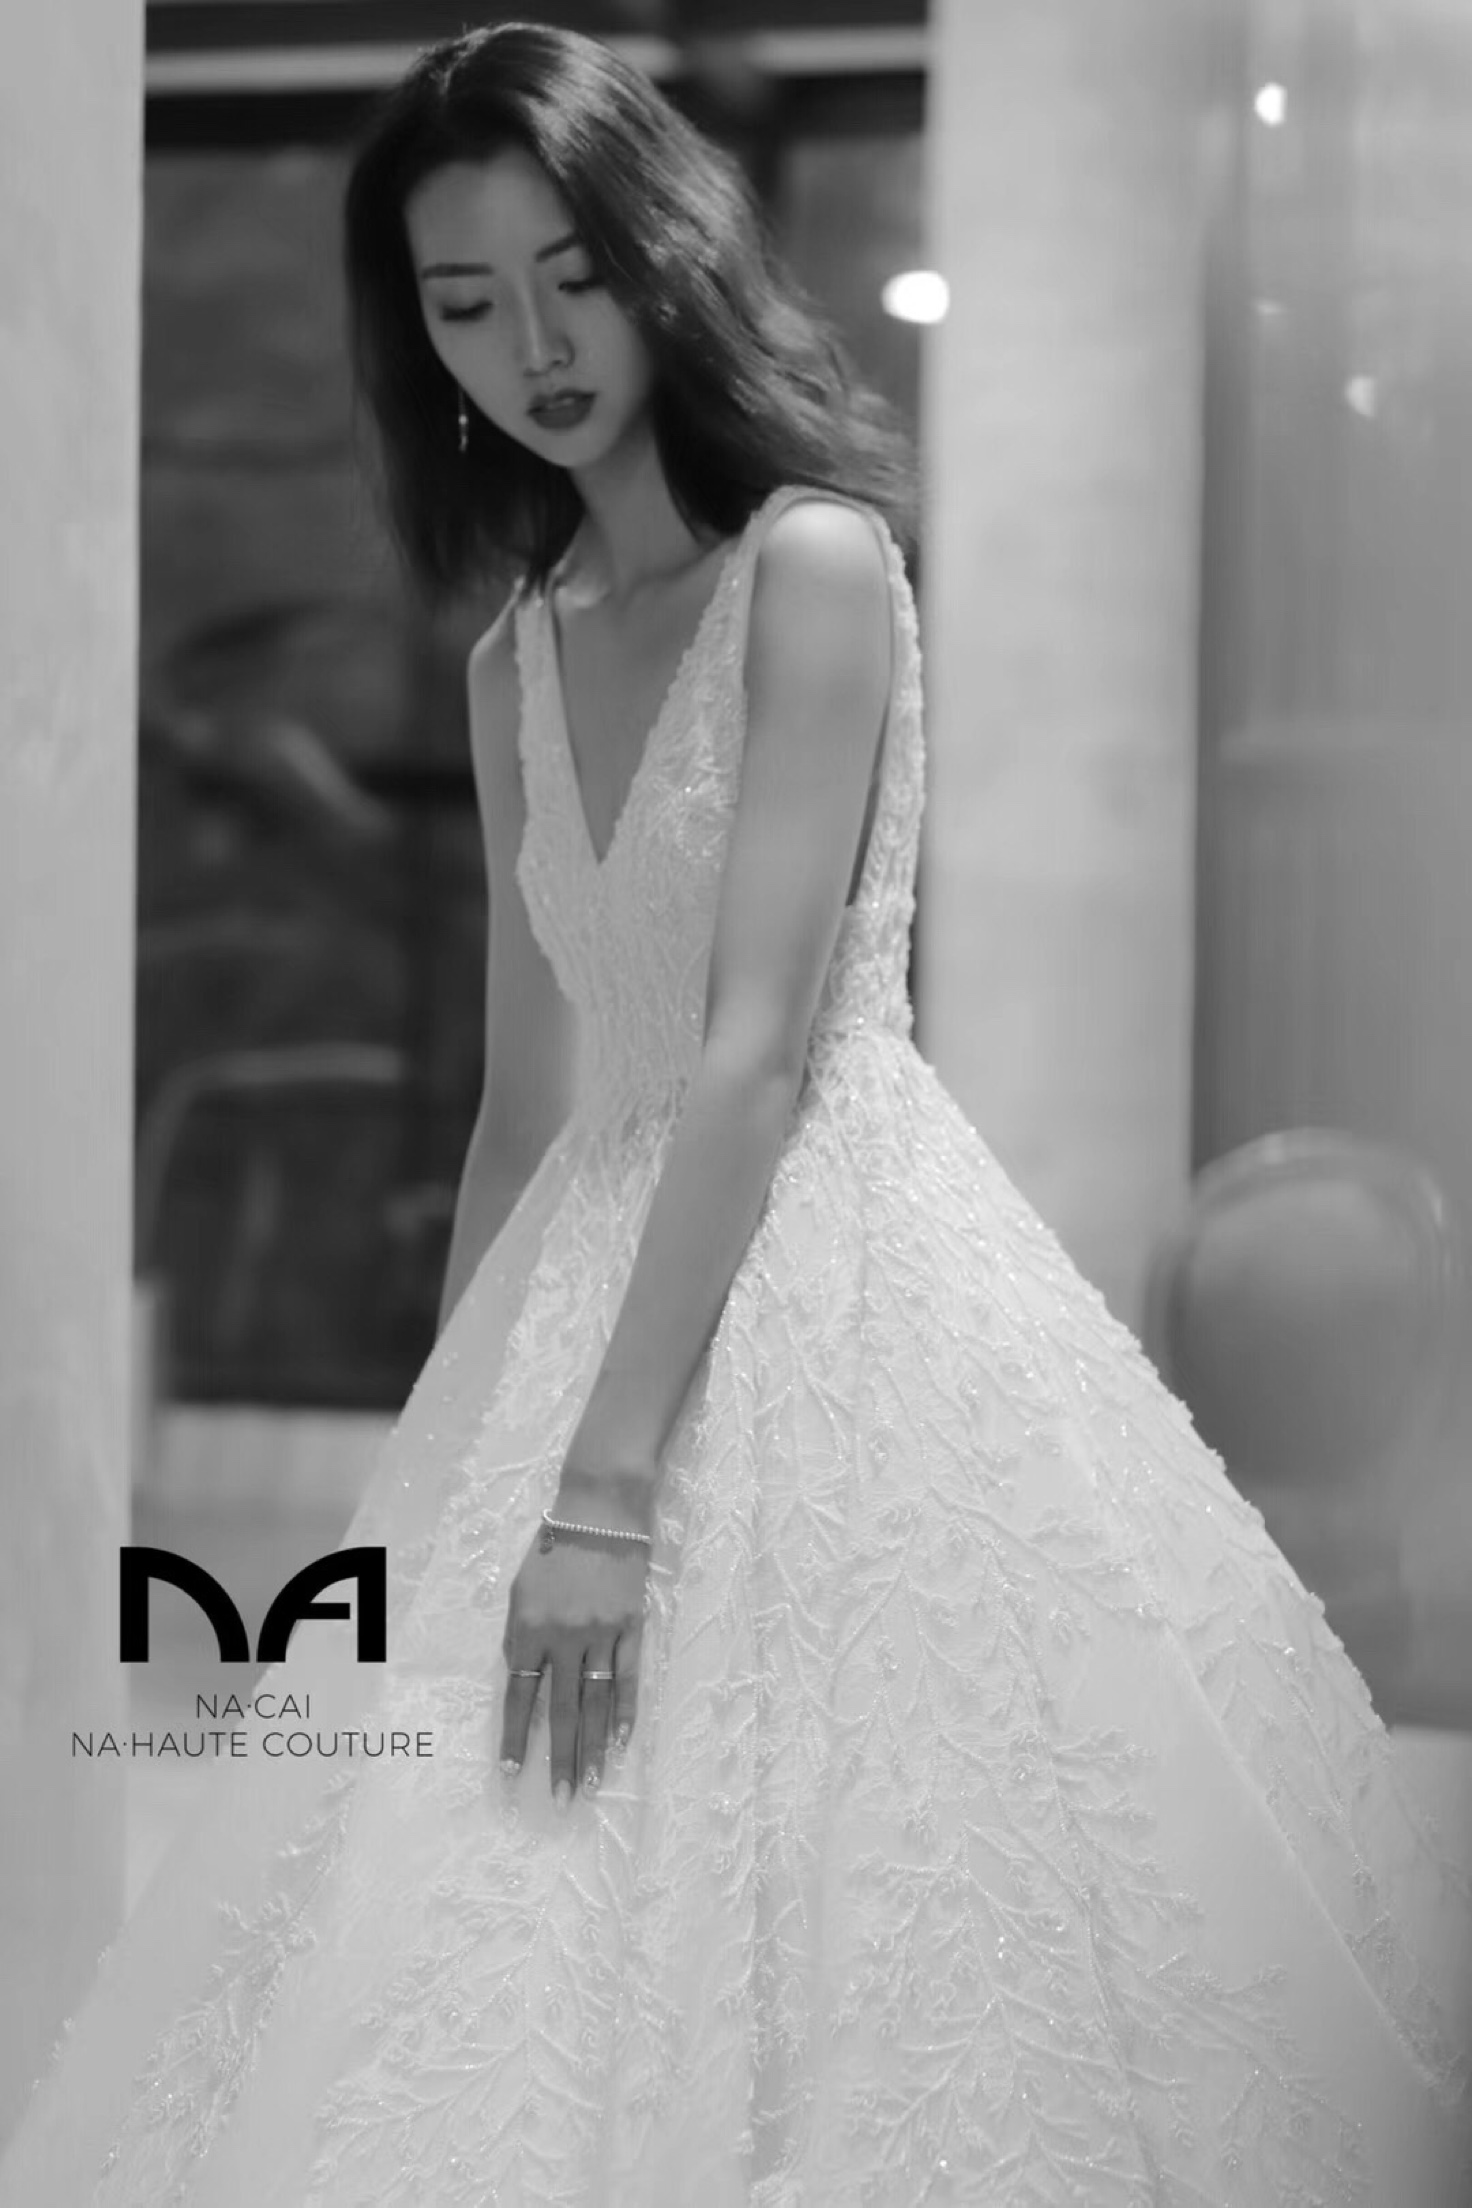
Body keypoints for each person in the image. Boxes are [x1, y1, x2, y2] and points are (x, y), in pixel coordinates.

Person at [3, 20, 1471, 2205]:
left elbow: (757, 1047)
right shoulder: (511, 656)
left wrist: (604, 1497)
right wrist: (444, 1466)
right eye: (463, 303)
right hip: (579, 1287)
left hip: (834, 1274)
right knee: (481, 1932)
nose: (530, 348)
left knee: (895, 1903)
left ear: (663, 253)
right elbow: (524, 1099)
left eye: (569, 275)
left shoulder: (813, 566)